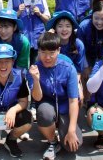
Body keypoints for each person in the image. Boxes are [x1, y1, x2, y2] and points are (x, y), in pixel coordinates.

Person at [29, 32, 82, 160]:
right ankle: (52, 142)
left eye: (51, 53)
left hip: (65, 107)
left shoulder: (69, 68)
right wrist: (36, 80)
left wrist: (71, 131)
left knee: (72, 146)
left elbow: (73, 101)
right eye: (43, 52)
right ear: (38, 51)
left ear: (58, 50)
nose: (47, 57)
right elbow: (36, 98)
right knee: (44, 112)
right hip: (47, 105)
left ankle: (62, 128)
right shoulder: (35, 68)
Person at [7, 0, 50, 64]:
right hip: (20, 41)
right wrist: (17, 13)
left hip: (38, 41)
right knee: (21, 69)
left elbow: (48, 19)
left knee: (36, 68)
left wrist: (39, 14)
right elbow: (7, 21)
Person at [77, 1, 103, 72]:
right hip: (87, 59)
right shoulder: (84, 27)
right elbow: (80, 50)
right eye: (96, 18)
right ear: (92, 16)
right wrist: (86, 67)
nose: (99, 22)